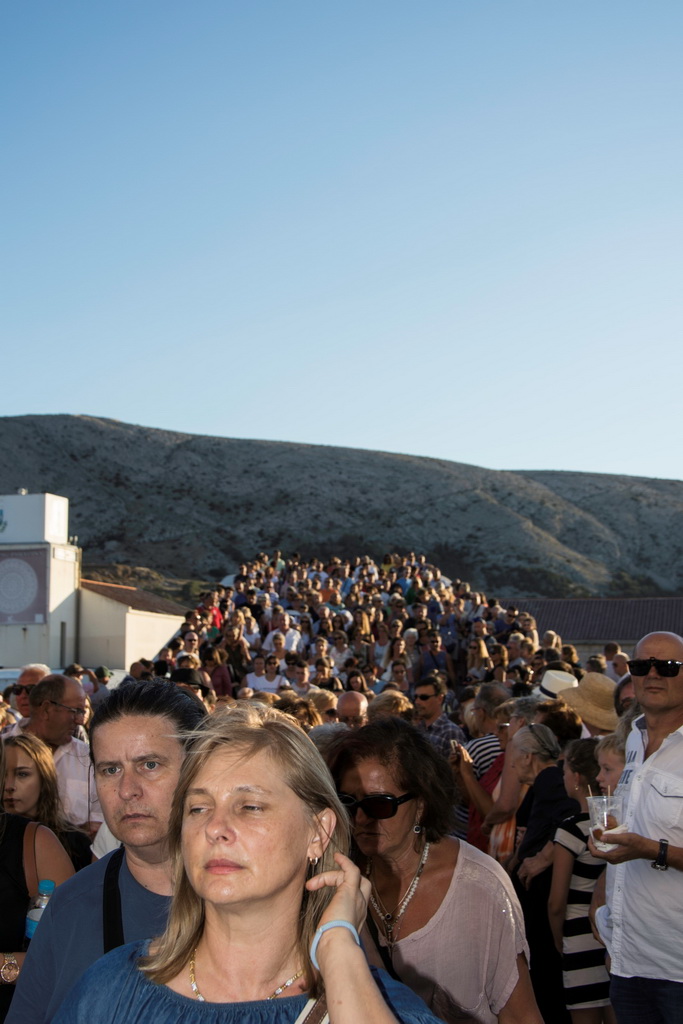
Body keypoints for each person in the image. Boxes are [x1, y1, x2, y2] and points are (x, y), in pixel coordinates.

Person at [52, 704, 440, 1024]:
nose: (215, 828)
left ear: (318, 832)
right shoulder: (113, 989)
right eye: (198, 808)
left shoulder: (382, 1008)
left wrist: (338, 946)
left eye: (250, 806)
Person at [7, 681, 207, 1024]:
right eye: (110, 769)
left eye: (150, 765)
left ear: (200, 768)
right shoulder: (72, 907)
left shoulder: (257, 898)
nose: (127, 790)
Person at [328, 717, 542, 1024]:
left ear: (421, 804)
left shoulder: (479, 885)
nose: (361, 818)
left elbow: (522, 1015)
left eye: (379, 804)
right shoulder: (335, 878)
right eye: (348, 802)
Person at [592, 632, 683, 1024]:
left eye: (667, 667)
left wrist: (650, 849)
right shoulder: (632, 739)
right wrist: (602, 908)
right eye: (642, 666)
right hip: (629, 960)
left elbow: (644, 844)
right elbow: (628, 833)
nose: (653, 675)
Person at [508, 724, 579, 1024]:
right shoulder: (545, 781)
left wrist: (545, 855)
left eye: (514, 753)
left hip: (543, 898)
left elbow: (572, 811)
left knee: (547, 982)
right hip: (536, 895)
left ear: (527, 756)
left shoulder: (551, 778)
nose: (510, 762)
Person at [0, 741, 74, 1022]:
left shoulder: (33, 843)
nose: (11, 785)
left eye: (21, 774)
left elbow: (69, 954)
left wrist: (4, 967)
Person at [547, 739, 615, 1024]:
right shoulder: (616, 824)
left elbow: (556, 902)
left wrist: (558, 942)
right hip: (610, 936)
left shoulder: (570, 830)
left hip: (577, 936)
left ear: (575, 777)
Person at [17, 674, 102, 834]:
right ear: (47, 709)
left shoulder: (87, 757)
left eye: (82, 712)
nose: (79, 720)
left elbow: (100, 823)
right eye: (75, 711)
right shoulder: (4, 750)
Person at [3, 733, 91, 871]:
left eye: (22, 774)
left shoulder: (76, 845)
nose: (9, 786)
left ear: (44, 777)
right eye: (2, 774)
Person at [412, 676, 465, 760]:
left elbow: (455, 770)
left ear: (439, 698)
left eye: (424, 697)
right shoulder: (416, 729)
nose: (417, 702)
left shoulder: (450, 732)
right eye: (416, 697)